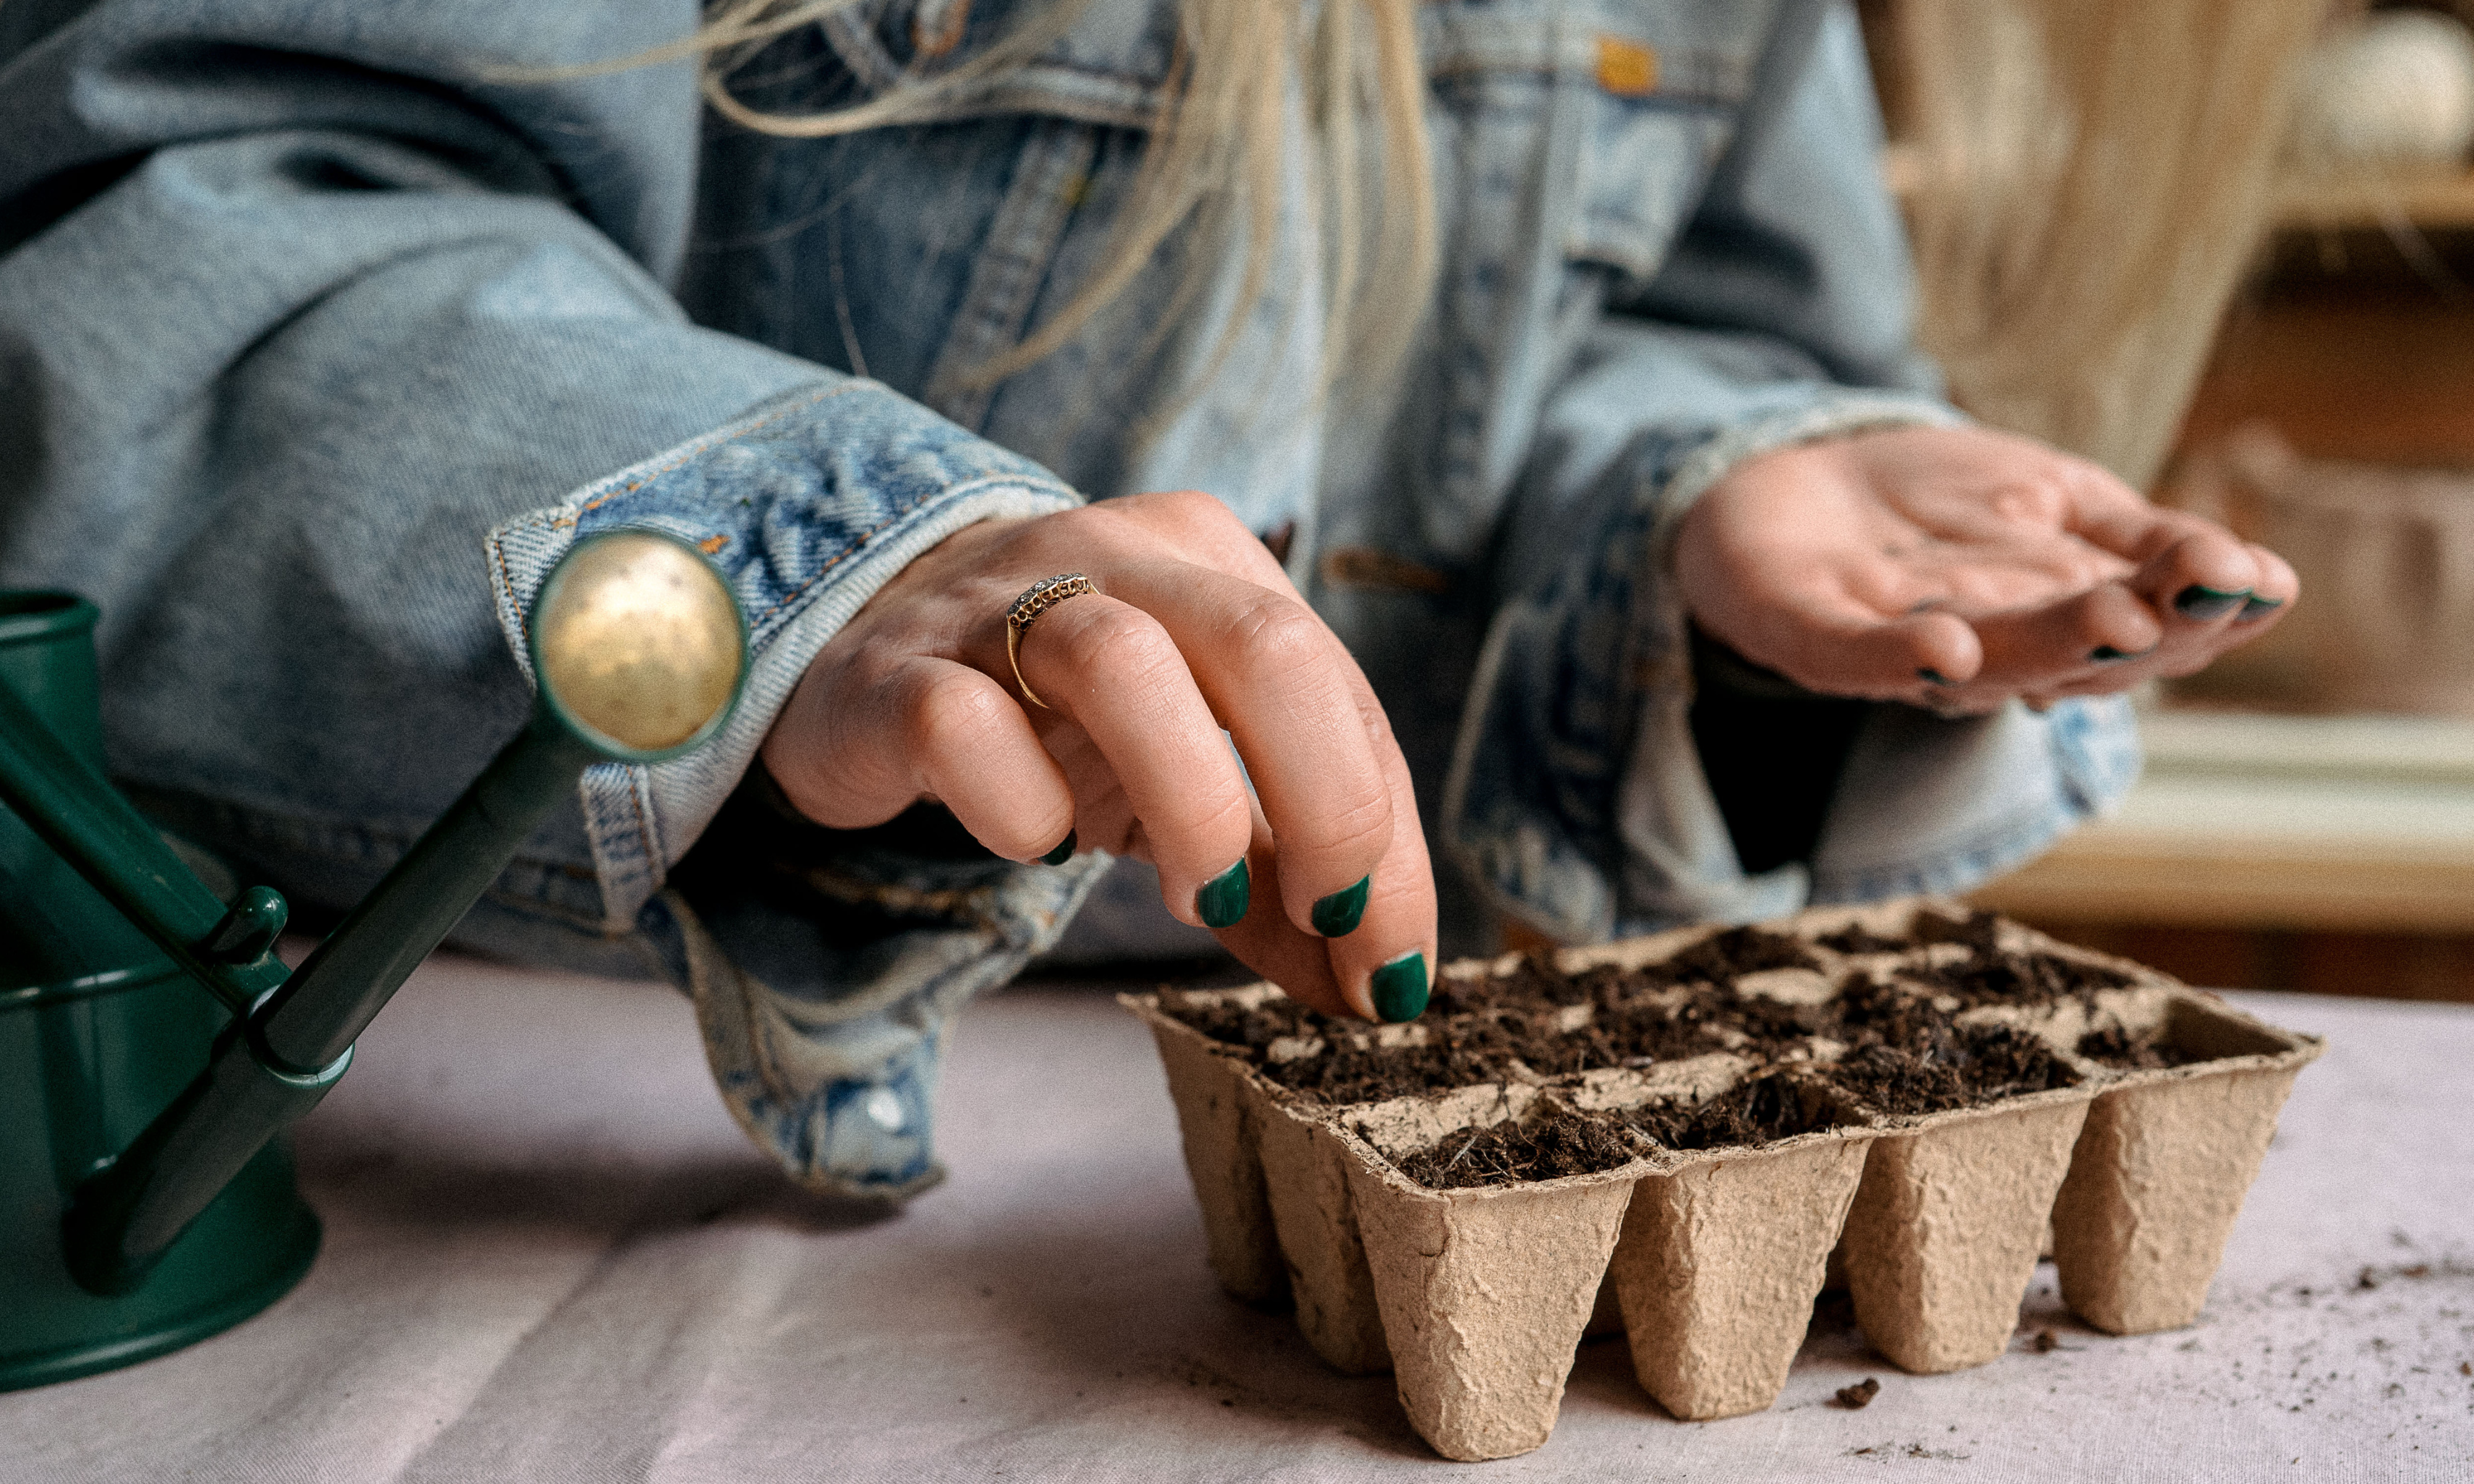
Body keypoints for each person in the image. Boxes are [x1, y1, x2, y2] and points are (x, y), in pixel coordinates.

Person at [0, 0, 2293, 1198]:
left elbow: (1610, 329)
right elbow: (204, 206)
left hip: (1311, 1088)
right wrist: (841, 565)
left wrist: (1721, 501)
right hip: (518, 1081)